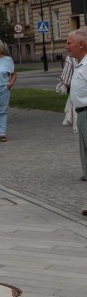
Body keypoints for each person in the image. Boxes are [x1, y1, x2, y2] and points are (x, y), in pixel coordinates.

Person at [66, 29, 87, 183]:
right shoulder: (80, 64)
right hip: (81, 112)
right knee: (84, 148)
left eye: (69, 43)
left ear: (80, 45)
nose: (67, 47)